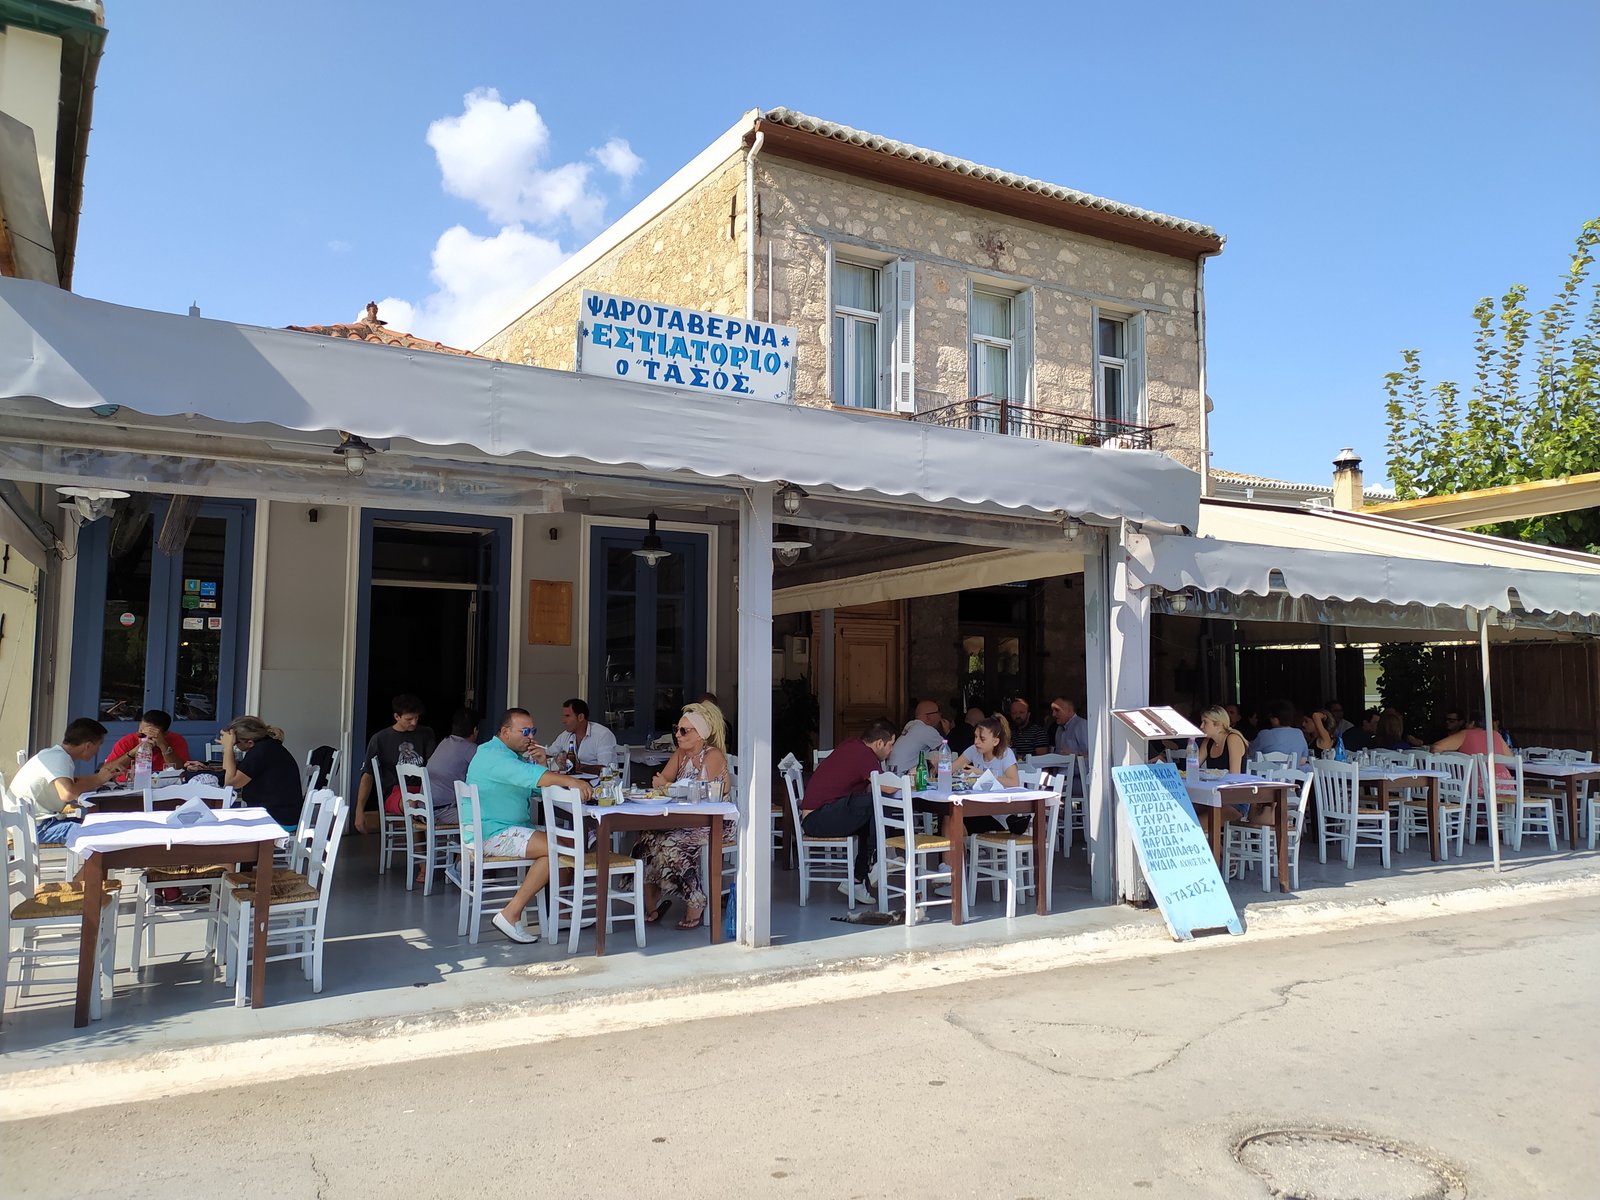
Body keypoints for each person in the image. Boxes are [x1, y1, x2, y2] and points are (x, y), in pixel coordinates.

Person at [463, 708, 592, 943]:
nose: (531, 737)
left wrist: (542, 763)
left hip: (507, 828)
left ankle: (561, 913)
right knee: (558, 848)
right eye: (525, 732)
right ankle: (510, 913)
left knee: (570, 843)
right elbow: (529, 776)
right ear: (505, 732)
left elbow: (535, 788)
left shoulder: (509, 756)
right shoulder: (494, 756)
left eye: (533, 731)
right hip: (492, 833)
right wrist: (571, 781)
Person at [636, 701, 737, 930]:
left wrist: (668, 786)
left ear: (700, 734)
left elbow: (698, 792)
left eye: (684, 731)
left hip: (715, 822)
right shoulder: (681, 754)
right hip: (685, 820)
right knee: (647, 837)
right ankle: (654, 894)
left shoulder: (712, 756)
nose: (678, 735)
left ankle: (696, 900)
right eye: (677, 729)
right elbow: (662, 780)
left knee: (671, 842)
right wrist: (667, 785)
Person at [801, 718, 898, 902]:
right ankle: (880, 861)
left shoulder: (853, 745)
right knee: (878, 802)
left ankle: (857, 881)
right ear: (879, 743)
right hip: (818, 818)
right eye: (891, 745)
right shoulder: (864, 754)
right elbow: (886, 787)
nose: (892, 750)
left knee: (869, 819)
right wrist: (910, 779)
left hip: (822, 815)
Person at [12, 718, 136, 844]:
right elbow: (67, 793)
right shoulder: (59, 758)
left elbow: (73, 782)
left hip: (31, 823)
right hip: (32, 828)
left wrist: (102, 776)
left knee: (95, 825)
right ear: (88, 746)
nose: (98, 750)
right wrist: (99, 779)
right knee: (96, 834)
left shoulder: (53, 754)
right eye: (99, 745)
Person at [354, 693, 437, 835]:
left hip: (423, 789)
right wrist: (359, 809)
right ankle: (419, 846)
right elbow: (368, 775)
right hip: (395, 793)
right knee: (412, 804)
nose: (414, 723)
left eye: (416, 718)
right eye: (409, 719)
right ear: (397, 717)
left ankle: (422, 847)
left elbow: (433, 764)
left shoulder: (426, 733)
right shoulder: (380, 739)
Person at [199, 716, 303, 828]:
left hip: (277, 819)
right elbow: (232, 771)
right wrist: (207, 765)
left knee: (216, 822)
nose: (235, 746)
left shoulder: (260, 752)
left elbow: (231, 782)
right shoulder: (268, 746)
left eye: (235, 743)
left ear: (249, 742)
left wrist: (228, 748)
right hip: (282, 814)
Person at [424, 707, 479, 826]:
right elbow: (486, 771)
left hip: (424, 810)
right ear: (475, 730)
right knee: (486, 816)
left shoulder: (445, 742)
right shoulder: (470, 748)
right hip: (441, 812)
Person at [1432, 713, 1514, 785]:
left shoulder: (1465, 734)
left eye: (1467, 722)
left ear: (1472, 723)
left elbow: (1436, 747)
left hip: (1476, 785)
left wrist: (1454, 752)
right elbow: (1510, 759)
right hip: (1505, 785)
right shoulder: (1495, 734)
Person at [104, 709, 190, 776]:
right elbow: (106, 771)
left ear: (165, 734)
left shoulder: (176, 740)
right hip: (128, 784)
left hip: (164, 784)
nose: (144, 738)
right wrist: (133, 752)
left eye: (151, 734)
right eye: (141, 734)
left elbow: (180, 770)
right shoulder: (127, 741)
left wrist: (163, 746)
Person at [544, 697, 617, 772]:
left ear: (581, 717)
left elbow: (606, 769)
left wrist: (578, 767)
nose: (563, 721)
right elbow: (549, 753)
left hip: (599, 779)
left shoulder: (603, 734)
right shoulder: (565, 735)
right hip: (573, 778)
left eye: (567, 716)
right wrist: (539, 753)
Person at [886, 699, 950, 774]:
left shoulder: (910, 725)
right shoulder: (927, 730)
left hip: (892, 774)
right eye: (938, 712)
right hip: (905, 777)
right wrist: (947, 731)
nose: (940, 715)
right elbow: (946, 753)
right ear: (929, 716)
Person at [1197, 705, 1248, 774]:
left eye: (1205, 722)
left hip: (1233, 781)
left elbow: (1235, 774)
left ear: (1218, 724)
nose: (1201, 726)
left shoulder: (1233, 739)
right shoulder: (1208, 741)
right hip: (1215, 781)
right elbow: (1193, 767)